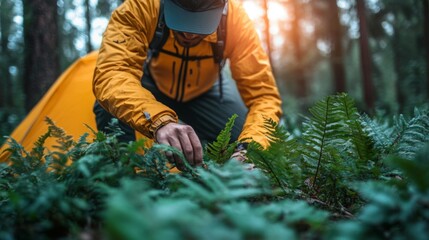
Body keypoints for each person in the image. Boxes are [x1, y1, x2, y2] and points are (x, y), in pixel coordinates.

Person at [92, 0, 282, 171]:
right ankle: (121, 183)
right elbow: (113, 73)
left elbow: (263, 97)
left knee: (249, 138)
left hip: (207, 92)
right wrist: (159, 121)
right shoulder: (142, 7)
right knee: (108, 107)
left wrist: (248, 149)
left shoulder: (236, 21)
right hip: (153, 85)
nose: (189, 34)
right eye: (180, 19)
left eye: (202, 22)